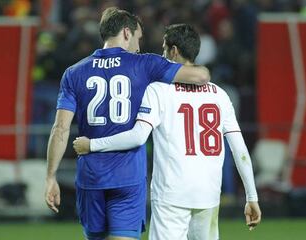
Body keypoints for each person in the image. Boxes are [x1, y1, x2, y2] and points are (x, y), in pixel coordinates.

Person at [73, 24, 261, 240]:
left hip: (172, 193)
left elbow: (138, 136)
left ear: (173, 51)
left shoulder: (158, 90)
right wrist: (251, 196)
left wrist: (93, 144)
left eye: (164, 49)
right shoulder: (219, 94)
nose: (162, 54)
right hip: (208, 193)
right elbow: (239, 149)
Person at [44, 7, 210, 240]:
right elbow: (200, 76)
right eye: (138, 38)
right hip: (128, 176)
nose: (138, 46)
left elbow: (60, 129)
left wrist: (50, 177)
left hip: (91, 178)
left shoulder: (74, 73)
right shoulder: (144, 64)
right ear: (126, 32)